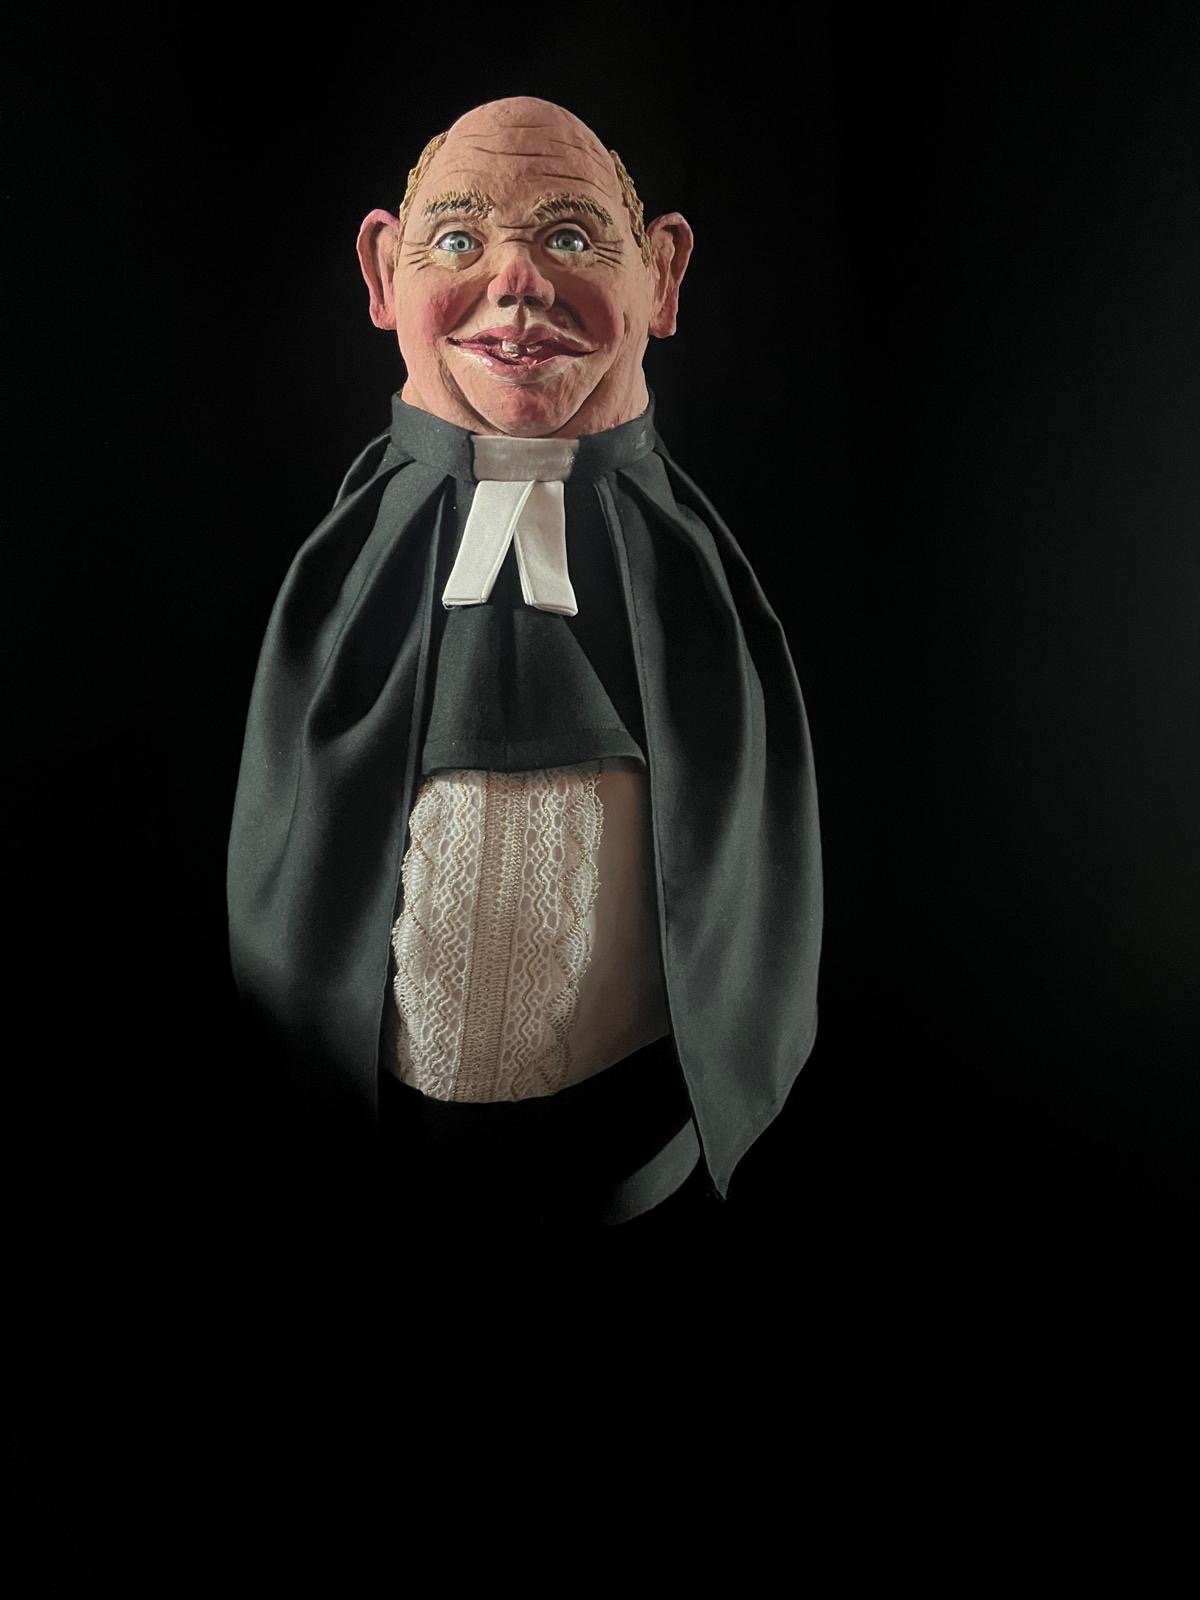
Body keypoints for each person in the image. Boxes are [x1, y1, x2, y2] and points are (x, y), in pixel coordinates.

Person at [227, 96, 823, 1237]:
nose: (514, 283)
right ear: (383, 273)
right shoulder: (344, 575)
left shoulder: (694, 591)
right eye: (457, 238)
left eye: (570, 237)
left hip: (635, 1168)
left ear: (662, 277)